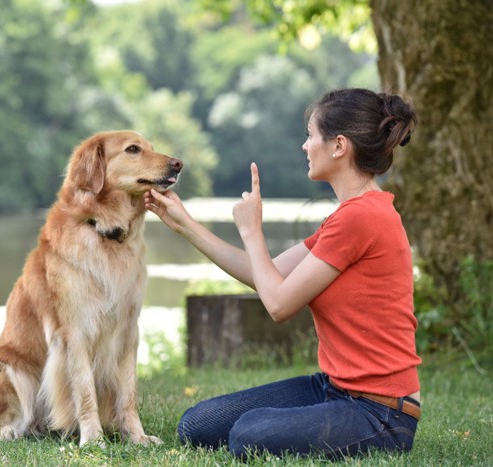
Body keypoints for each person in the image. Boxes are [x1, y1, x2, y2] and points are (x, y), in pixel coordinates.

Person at [144, 88, 421, 459]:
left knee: (248, 435)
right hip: (335, 389)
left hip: (381, 412)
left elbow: (277, 304)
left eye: (310, 135)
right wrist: (184, 225)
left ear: (339, 145)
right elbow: (267, 275)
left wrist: (252, 231)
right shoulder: (347, 217)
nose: (305, 146)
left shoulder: (362, 217)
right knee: (197, 425)